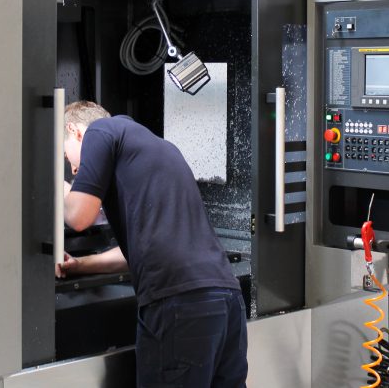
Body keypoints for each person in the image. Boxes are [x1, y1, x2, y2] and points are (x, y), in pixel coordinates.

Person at [57, 100, 248, 388]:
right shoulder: (156, 148)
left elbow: (79, 216)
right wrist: (80, 266)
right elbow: (137, 250)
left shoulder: (100, 131)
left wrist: (54, 183)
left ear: (75, 130)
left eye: (66, 153)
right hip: (226, 300)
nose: (73, 167)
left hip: (180, 307)